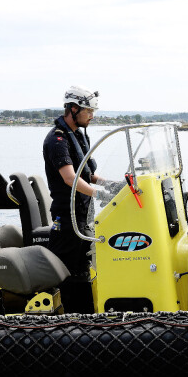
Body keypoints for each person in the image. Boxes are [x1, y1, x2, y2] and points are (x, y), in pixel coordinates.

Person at [43, 85, 119, 310]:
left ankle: (89, 315)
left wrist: (113, 185)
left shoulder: (77, 136)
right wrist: (100, 194)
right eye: (88, 111)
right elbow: (70, 179)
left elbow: (89, 175)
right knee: (71, 271)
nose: (92, 116)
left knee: (84, 267)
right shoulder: (57, 140)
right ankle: (75, 323)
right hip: (68, 218)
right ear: (73, 109)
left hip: (84, 215)